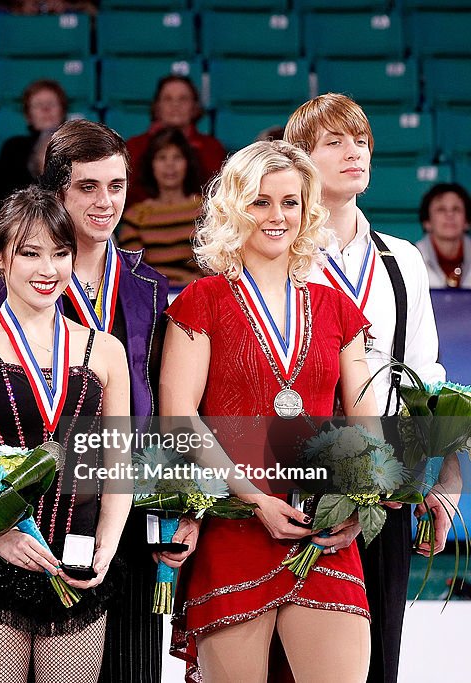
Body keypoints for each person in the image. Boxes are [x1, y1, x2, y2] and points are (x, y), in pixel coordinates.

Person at [164, 140, 378, 683]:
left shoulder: (339, 308)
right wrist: (253, 498)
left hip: (321, 531)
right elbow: (179, 416)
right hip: (233, 527)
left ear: (308, 210)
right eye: (261, 202)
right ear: (235, 208)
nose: (277, 216)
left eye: (290, 202)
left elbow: (367, 422)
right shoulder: (200, 301)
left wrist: (355, 502)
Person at [0, 119, 172, 683]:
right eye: (88, 186)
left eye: (116, 185)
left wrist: (176, 507)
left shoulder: (147, 285)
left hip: (122, 513)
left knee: (133, 674)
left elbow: (160, 405)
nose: (105, 202)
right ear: (55, 190)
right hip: (27, 519)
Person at [0, 186, 132, 683]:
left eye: (60, 253)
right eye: (29, 253)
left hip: (79, 562)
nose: (47, 269)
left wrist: (105, 548)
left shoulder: (106, 351)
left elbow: (118, 469)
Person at [284, 94, 450, 683]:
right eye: (333, 142)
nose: (353, 151)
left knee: (381, 660)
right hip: (299, 485)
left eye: (360, 141)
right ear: (301, 161)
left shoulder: (403, 259)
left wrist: (442, 482)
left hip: (388, 488)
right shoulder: (281, 258)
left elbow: (428, 381)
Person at [118, 127, 204, 286]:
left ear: (188, 163)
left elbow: (215, 263)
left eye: (177, 157)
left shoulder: (206, 210)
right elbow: (133, 270)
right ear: (151, 165)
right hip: (150, 297)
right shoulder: (136, 215)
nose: (169, 165)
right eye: (162, 158)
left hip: (197, 292)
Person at [125, 75, 226, 206]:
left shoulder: (212, 148)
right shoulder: (135, 146)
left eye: (183, 99)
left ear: (194, 107)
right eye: (168, 99)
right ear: (157, 107)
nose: (175, 104)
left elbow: (218, 195)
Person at [0, 80, 68, 193]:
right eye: (38, 105)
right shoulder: (14, 148)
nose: (46, 109)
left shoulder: (76, 144)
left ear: (63, 111)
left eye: (51, 103)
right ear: (28, 116)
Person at [415, 182, 471, 289]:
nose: (450, 215)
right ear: (427, 222)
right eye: (441, 209)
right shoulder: (410, 259)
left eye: (456, 209)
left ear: (467, 221)